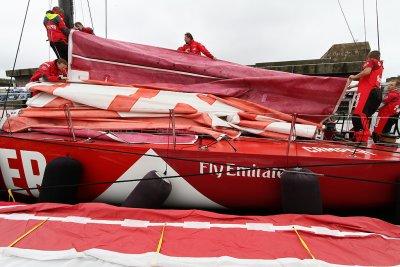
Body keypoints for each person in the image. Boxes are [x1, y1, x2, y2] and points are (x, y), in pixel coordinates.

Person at [347, 50, 384, 142]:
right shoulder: (380, 67)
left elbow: (367, 72)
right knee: (365, 116)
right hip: (377, 93)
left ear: (369, 56)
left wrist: (353, 77)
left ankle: (362, 139)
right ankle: (360, 138)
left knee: (358, 115)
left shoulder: (371, 61)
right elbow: (367, 79)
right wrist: (353, 86)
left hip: (368, 92)